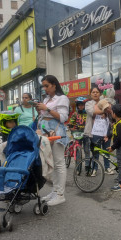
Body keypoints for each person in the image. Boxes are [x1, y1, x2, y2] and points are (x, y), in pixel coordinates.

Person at [37, 75, 70, 206]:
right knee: (53, 164)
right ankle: (55, 191)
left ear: (54, 85)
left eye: (47, 86)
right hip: (45, 132)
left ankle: (60, 195)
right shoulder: (46, 99)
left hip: (56, 132)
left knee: (59, 163)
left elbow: (63, 117)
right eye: (43, 86)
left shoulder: (62, 98)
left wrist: (47, 109)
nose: (44, 88)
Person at [85, 87, 113, 175]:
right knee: (95, 151)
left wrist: (105, 111)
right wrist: (104, 111)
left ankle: (107, 167)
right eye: (93, 92)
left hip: (106, 130)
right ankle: (94, 168)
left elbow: (110, 110)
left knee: (106, 149)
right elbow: (92, 112)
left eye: (97, 92)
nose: (95, 94)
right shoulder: (88, 103)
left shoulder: (105, 101)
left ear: (100, 93)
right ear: (90, 94)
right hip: (94, 131)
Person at [68, 96, 89, 169]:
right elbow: (71, 124)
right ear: (77, 106)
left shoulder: (88, 114)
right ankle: (78, 167)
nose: (81, 106)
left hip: (86, 134)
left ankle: (87, 166)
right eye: (79, 105)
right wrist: (72, 129)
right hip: (77, 134)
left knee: (87, 151)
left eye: (82, 105)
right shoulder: (75, 114)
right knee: (77, 151)